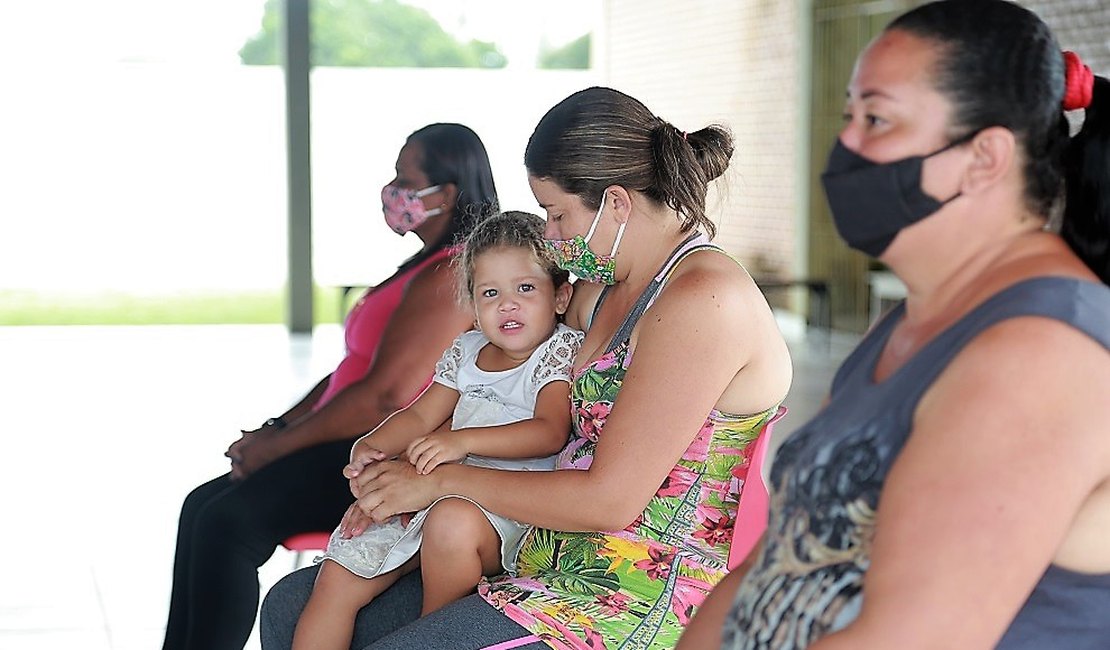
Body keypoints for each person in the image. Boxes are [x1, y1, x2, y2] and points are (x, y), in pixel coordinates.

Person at [260, 86, 794, 649]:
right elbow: (497, 381)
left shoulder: (705, 300)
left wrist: (436, 481)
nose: (550, 234)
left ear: (615, 203)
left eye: (557, 213)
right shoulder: (598, 288)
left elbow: (609, 501)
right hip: (540, 556)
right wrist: (400, 469)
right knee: (292, 608)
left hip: (634, 599)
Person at [675, 2, 1110, 649]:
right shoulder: (917, 319)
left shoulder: (1041, 353)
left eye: (876, 119)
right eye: (849, 116)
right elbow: (782, 553)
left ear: (984, 157)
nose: (846, 145)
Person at [162, 122, 500, 650]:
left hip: (382, 451)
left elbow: (385, 396)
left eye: (405, 180)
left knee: (227, 523)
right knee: (201, 507)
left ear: (448, 193)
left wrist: (279, 447)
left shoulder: (453, 275)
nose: (394, 191)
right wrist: (277, 428)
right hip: (347, 436)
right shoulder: (422, 266)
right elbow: (349, 370)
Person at [292, 210, 584, 650]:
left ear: (560, 296)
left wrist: (461, 441)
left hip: (500, 508)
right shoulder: (468, 352)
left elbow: (548, 432)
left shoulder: (554, 352)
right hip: (430, 488)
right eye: (490, 293)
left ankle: (433, 636)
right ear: (473, 308)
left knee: (450, 524)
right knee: (337, 576)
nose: (507, 304)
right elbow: (417, 417)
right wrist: (372, 445)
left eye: (525, 288)